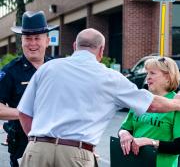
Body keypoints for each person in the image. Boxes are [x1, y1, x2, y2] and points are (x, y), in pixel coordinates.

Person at [18, 28, 180, 167]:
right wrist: (176, 104)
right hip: (75, 153)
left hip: (36, 150)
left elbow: (24, 113)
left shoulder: (47, 68)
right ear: (101, 50)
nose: (148, 77)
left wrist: (38, 142)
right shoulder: (109, 77)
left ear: (75, 46)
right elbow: (152, 105)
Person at [0, 10, 58, 167]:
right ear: (21, 41)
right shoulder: (10, 72)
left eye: (37, 38)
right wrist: (25, 114)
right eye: (28, 38)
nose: (32, 43)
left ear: (47, 40)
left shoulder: (58, 68)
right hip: (23, 149)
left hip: (57, 148)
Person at [119, 57, 180, 167]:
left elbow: (178, 146)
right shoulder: (141, 100)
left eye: (152, 73)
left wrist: (151, 142)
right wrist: (123, 134)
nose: (147, 77)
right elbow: (125, 128)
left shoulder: (176, 104)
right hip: (134, 163)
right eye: (147, 73)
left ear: (168, 77)